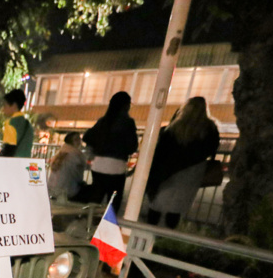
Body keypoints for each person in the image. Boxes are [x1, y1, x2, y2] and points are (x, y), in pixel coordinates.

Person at [146, 97, 220, 229]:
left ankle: (147, 233)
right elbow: (212, 148)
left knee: (157, 205)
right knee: (176, 207)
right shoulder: (209, 128)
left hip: (168, 172)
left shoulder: (175, 127)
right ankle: (168, 233)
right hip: (192, 173)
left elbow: (161, 152)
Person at [83, 91, 138, 212]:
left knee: (96, 197)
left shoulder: (103, 121)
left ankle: (91, 220)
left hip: (98, 164)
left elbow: (87, 137)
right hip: (117, 166)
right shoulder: (128, 122)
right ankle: (106, 223)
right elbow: (132, 147)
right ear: (126, 105)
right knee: (113, 202)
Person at [47, 132, 88, 201]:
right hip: (68, 190)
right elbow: (77, 175)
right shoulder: (76, 154)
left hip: (52, 188)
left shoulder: (61, 151)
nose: (79, 141)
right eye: (77, 139)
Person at [0, 89, 34, 158]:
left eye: (5, 105)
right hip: (25, 162)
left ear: (14, 106)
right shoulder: (28, 125)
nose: (3, 109)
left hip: (13, 162)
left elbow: (8, 148)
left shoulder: (11, 123)